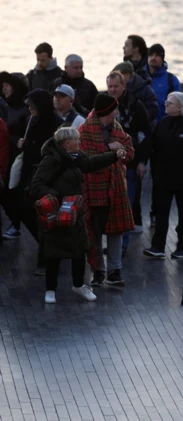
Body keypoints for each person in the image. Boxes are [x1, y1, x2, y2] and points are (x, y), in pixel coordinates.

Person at [30, 127, 128, 304]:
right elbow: (36, 184)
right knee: (54, 253)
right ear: (67, 143)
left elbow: (91, 163)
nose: (79, 142)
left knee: (79, 250)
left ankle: (78, 284)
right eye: (77, 139)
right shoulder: (51, 160)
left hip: (74, 213)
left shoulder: (76, 157)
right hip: (57, 213)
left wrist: (114, 155)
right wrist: (55, 196)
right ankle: (50, 289)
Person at [79, 94, 135, 287]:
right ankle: (98, 271)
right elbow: (84, 156)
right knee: (93, 231)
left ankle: (115, 270)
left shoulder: (117, 128)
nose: (117, 112)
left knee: (116, 230)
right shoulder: (85, 130)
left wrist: (122, 152)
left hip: (116, 187)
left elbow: (130, 150)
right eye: (115, 109)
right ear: (107, 112)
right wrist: (109, 148)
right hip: (94, 189)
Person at [144, 92, 183, 259]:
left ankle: (182, 247)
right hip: (163, 177)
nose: (165, 105)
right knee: (161, 213)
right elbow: (154, 148)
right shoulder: (163, 124)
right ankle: (158, 246)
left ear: (180, 107)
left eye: (169, 103)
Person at [17, 90, 63, 273]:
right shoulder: (31, 122)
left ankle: (46, 256)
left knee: (43, 215)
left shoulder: (56, 124)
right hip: (30, 175)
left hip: (47, 177)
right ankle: (48, 247)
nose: (29, 109)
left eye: (32, 106)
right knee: (24, 210)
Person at [106, 71, 152, 249]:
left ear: (124, 86)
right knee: (110, 205)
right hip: (109, 163)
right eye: (110, 86)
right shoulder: (103, 104)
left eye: (116, 86)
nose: (112, 89)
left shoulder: (136, 105)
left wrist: (142, 161)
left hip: (131, 164)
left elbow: (146, 135)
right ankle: (114, 243)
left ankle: (121, 245)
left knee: (126, 204)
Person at [0, 72, 29, 240]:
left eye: (7, 86)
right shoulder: (6, 105)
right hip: (6, 153)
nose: (4, 89)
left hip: (17, 157)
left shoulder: (24, 109)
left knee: (12, 193)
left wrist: (12, 138)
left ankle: (16, 225)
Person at [146, 44, 181, 124]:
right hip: (144, 127)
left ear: (162, 58)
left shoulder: (171, 80)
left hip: (164, 126)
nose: (153, 58)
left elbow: (179, 106)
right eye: (151, 55)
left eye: (157, 55)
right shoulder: (140, 78)